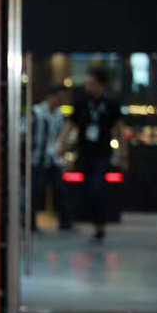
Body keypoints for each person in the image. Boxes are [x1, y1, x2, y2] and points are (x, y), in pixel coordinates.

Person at [58, 67, 125, 241]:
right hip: (84, 152)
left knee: (97, 187)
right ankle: (94, 222)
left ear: (101, 85)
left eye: (92, 83)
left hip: (102, 152)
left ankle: (100, 224)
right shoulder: (81, 102)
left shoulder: (110, 104)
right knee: (88, 189)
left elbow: (119, 129)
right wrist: (62, 143)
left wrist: (122, 153)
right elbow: (70, 124)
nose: (89, 86)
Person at [31, 84, 71, 231]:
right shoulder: (36, 113)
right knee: (36, 191)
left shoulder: (59, 115)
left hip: (53, 158)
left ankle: (65, 222)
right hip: (37, 158)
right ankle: (31, 223)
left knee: (60, 190)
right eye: (59, 98)